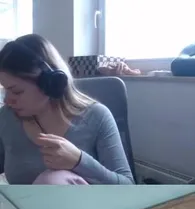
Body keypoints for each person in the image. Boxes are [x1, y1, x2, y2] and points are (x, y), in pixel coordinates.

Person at [0, 34, 134, 184]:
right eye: (5, 90)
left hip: (83, 200)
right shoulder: (6, 118)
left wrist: (79, 162)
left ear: (50, 83)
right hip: (22, 200)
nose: (7, 100)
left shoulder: (96, 116)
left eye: (17, 92)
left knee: (53, 179)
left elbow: (127, 186)